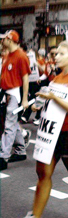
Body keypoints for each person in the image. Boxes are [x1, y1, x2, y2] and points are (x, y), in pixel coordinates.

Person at [24, 42, 68, 218]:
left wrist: (52, 97)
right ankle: (35, 214)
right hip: (51, 133)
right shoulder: (57, 78)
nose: (56, 57)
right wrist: (43, 104)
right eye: (55, 54)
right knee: (43, 172)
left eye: (61, 54)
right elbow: (54, 102)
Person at [0, 30, 31, 171]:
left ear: (10, 39)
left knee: (9, 125)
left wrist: (24, 99)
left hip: (15, 94)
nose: (1, 41)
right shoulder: (8, 55)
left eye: (3, 39)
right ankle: (20, 150)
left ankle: (3, 157)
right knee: (12, 123)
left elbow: (25, 79)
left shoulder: (21, 56)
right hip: (7, 93)